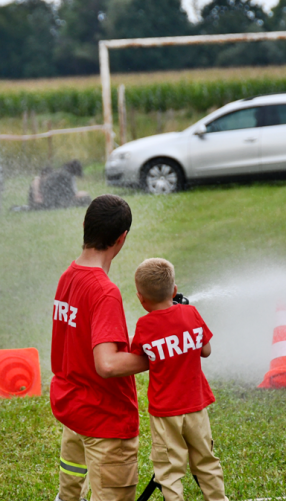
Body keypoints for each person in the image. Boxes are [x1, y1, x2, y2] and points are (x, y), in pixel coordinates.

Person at [51, 194, 148, 501]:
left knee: (70, 494)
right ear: (122, 238)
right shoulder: (104, 292)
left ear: (85, 226)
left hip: (74, 415)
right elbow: (106, 365)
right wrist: (157, 354)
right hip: (105, 420)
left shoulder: (68, 276)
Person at [130, 258, 228, 501]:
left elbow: (138, 358)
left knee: (169, 470)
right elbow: (206, 351)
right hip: (196, 406)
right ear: (174, 291)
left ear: (141, 299)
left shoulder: (144, 326)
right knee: (206, 461)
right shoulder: (191, 312)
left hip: (165, 413)